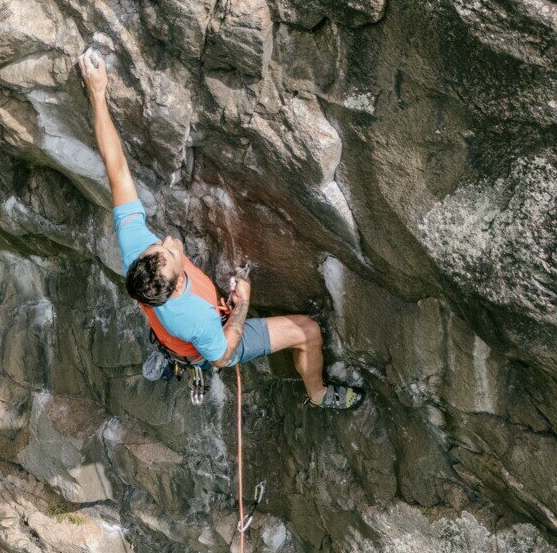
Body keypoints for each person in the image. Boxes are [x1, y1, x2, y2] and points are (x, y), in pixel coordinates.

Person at [78, 50, 362, 411]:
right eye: (170, 253)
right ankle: (319, 395)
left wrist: (97, 94)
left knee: (186, 333)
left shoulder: (137, 252)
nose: (168, 241)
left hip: (179, 332)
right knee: (308, 332)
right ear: (176, 284)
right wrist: (242, 306)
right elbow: (223, 355)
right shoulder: (194, 317)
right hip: (209, 342)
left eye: (159, 247)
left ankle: (170, 353)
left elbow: (116, 169)